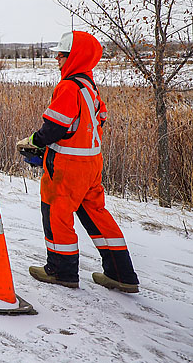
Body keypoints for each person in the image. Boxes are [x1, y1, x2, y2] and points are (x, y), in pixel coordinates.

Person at [17, 30, 139, 293]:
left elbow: (54, 129)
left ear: (74, 57)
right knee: (98, 216)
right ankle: (122, 275)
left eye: (61, 55)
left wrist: (33, 142)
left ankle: (61, 272)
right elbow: (99, 119)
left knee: (57, 214)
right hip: (92, 164)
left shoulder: (69, 87)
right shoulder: (90, 88)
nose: (57, 60)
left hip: (67, 167)